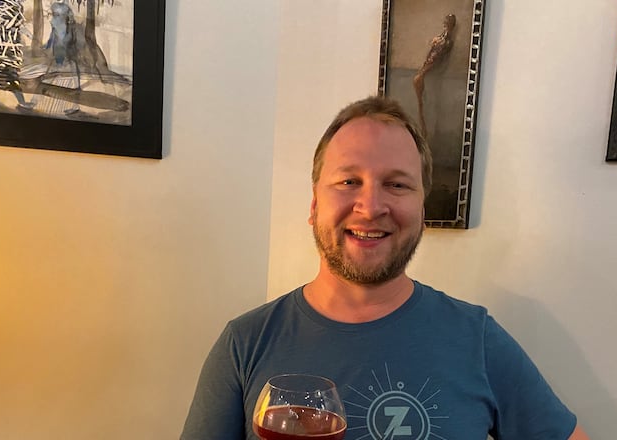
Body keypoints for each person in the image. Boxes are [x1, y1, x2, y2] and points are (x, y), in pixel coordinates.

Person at [181, 96, 589, 440]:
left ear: (422, 210)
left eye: (397, 184)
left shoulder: (478, 340)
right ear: (314, 205)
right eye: (348, 182)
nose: (371, 207)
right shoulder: (245, 344)